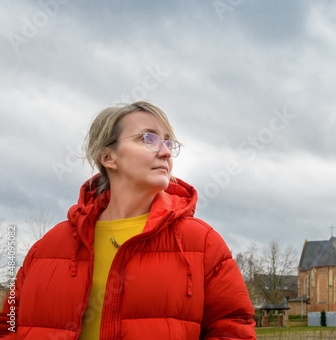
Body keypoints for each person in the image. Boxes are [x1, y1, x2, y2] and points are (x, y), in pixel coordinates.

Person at [0, 101, 256, 339]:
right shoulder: (48, 247)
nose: (166, 152)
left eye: (168, 143)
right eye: (149, 139)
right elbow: (8, 326)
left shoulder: (202, 243)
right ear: (108, 157)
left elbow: (233, 329)